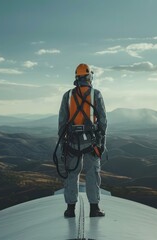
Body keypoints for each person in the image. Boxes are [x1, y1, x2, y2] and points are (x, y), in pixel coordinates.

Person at [58, 63, 107, 218]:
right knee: (92, 173)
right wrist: (102, 140)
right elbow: (103, 120)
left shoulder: (68, 96)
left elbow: (62, 121)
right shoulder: (96, 94)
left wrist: (62, 142)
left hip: (72, 141)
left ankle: (70, 209)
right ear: (88, 77)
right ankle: (94, 209)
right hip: (91, 142)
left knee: (72, 174)